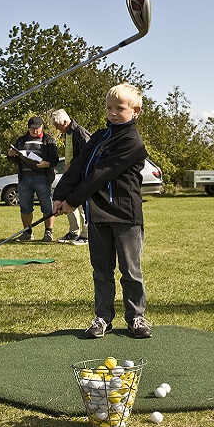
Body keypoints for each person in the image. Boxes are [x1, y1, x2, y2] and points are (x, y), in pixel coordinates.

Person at [53, 83, 152, 339]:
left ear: (136, 110)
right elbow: (78, 167)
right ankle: (103, 318)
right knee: (101, 270)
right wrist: (60, 195)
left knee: (130, 271)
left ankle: (136, 317)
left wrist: (73, 201)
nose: (113, 113)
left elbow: (100, 174)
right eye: (109, 108)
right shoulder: (99, 137)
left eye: (119, 108)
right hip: (97, 214)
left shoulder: (133, 142)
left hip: (125, 215)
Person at [7, 116, 59, 241]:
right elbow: (12, 158)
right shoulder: (20, 141)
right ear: (28, 128)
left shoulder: (48, 140)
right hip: (24, 178)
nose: (35, 131)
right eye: (32, 129)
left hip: (42, 177)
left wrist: (47, 163)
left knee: (47, 206)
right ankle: (27, 232)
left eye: (37, 128)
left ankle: (48, 232)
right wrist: (10, 154)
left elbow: (55, 159)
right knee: (25, 207)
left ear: (42, 127)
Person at [50, 109, 91, 245]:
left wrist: (72, 164)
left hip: (80, 174)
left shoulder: (79, 132)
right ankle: (74, 232)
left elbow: (87, 153)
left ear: (65, 122)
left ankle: (86, 235)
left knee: (80, 203)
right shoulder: (67, 133)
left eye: (57, 126)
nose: (56, 129)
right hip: (71, 174)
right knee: (67, 200)